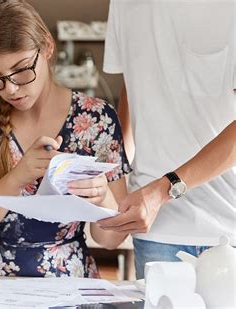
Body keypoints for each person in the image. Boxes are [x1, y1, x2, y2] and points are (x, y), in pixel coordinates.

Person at [0, 0, 132, 277]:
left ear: (47, 46)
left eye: (20, 70)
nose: (10, 89)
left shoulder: (97, 118)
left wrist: (102, 200)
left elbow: (111, 240)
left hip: (69, 283)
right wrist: (16, 178)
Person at [99, 0, 236, 279]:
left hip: (228, 226)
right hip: (157, 231)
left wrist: (162, 190)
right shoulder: (123, 5)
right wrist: (117, 187)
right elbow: (135, 85)